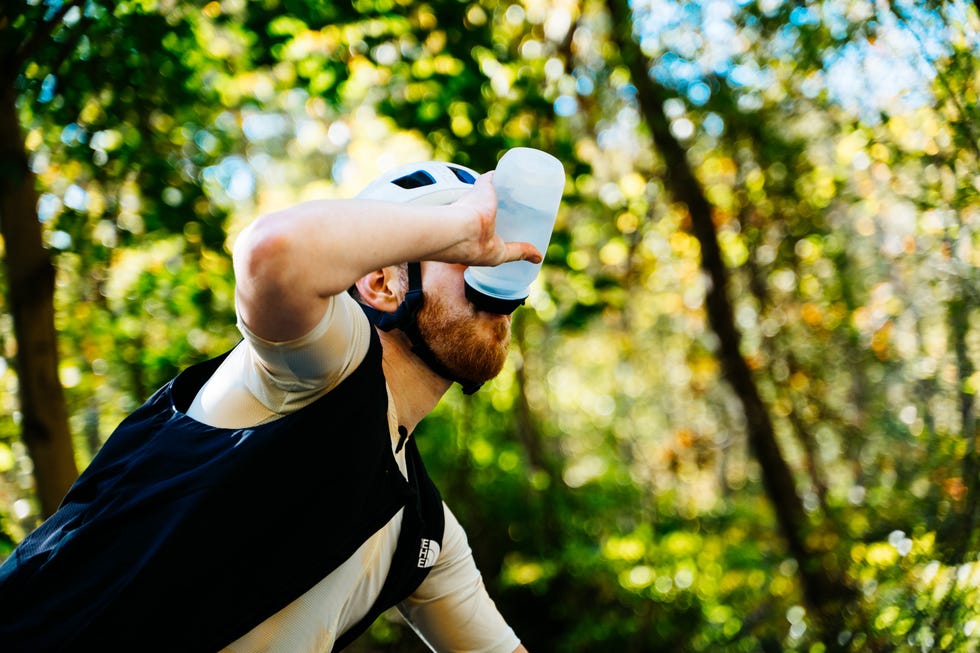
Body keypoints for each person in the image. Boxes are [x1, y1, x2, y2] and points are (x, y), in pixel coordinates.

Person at [0, 160, 541, 652]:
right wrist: (466, 228)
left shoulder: (425, 531)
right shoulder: (322, 366)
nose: (498, 277)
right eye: (467, 258)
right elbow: (271, 253)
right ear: (379, 283)